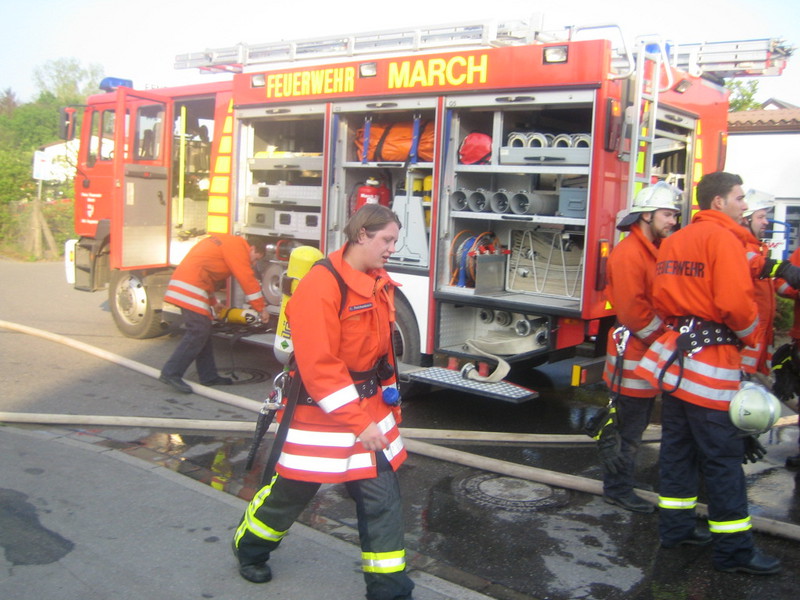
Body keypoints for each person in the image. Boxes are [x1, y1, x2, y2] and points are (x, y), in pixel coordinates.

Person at [232, 205, 415, 600]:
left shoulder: (377, 282)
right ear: (362, 235)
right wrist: (360, 422)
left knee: (382, 499)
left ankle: (390, 591)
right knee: (291, 494)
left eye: (394, 241)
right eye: (387, 239)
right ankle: (250, 549)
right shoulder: (321, 285)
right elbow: (320, 367)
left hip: (367, 412)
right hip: (319, 415)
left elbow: (383, 355)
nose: (391, 248)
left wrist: (389, 406)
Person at [634, 171, 781, 575]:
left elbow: (661, 297)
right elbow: (737, 304)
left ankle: (676, 530)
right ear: (719, 202)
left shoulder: (674, 241)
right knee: (722, 459)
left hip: (677, 362)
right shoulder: (725, 240)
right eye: (739, 197)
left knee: (677, 451)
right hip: (713, 363)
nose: (744, 206)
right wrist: (750, 337)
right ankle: (734, 552)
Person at [599, 182, 681, 514]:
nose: (673, 221)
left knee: (636, 427)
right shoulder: (629, 253)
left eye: (674, 215)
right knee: (627, 431)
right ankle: (617, 489)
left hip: (645, 355)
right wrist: (667, 341)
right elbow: (634, 314)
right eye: (667, 214)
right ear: (646, 215)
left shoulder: (650, 250)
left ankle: (624, 481)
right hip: (633, 358)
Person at [159, 234, 268, 394]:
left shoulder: (230, 243)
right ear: (252, 248)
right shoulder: (239, 247)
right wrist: (261, 308)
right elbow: (246, 278)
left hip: (191, 282)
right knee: (198, 330)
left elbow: (206, 275)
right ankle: (171, 372)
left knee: (204, 331)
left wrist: (213, 302)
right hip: (190, 285)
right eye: (256, 258)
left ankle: (208, 376)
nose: (254, 263)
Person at [740, 190, 778, 379]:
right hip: (748, 337)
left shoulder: (758, 249)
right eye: (761, 217)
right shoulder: (743, 248)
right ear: (746, 219)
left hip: (760, 334)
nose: (766, 222)